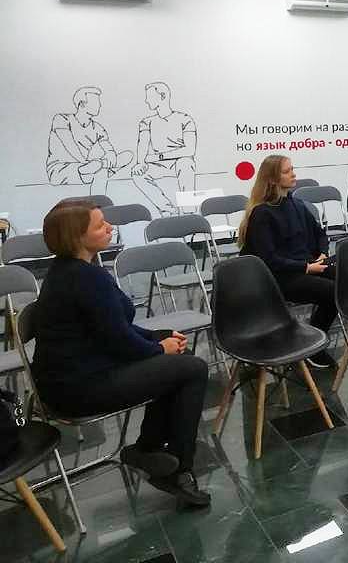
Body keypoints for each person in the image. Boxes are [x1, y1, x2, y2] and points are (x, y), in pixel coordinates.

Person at [31, 200, 210, 507]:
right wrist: (158, 347)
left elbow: (113, 329)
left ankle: (147, 448)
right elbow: (118, 341)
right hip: (78, 388)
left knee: (178, 355)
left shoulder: (73, 269)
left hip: (86, 370)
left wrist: (158, 338)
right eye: (100, 225)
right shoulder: (85, 278)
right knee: (191, 368)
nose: (110, 227)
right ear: (77, 238)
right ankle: (178, 468)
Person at [237, 155, 339, 368]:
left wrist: (322, 252)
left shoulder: (296, 204)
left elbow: (320, 234)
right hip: (280, 277)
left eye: (292, 169)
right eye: (287, 171)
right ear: (273, 179)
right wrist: (306, 267)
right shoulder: (262, 213)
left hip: (306, 266)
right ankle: (314, 345)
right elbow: (269, 260)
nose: (293, 174)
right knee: (332, 292)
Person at [45, 86, 133, 195]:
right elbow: (69, 145)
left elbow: (108, 147)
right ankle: (100, 169)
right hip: (61, 169)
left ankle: (100, 169)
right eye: (95, 102)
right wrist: (89, 163)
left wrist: (110, 156)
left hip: (90, 167)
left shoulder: (97, 127)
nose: (100, 105)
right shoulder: (62, 119)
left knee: (127, 155)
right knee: (99, 169)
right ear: (82, 104)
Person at [132, 82, 197, 216]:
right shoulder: (146, 122)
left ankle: (189, 211)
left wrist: (159, 156)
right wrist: (140, 162)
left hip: (178, 162)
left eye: (150, 96)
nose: (146, 100)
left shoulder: (185, 119)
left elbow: (189, 150)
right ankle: (168, 210)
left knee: (186, 163)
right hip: (158, 165)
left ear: (162, 96)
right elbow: (143, 144)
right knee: (138, 174)